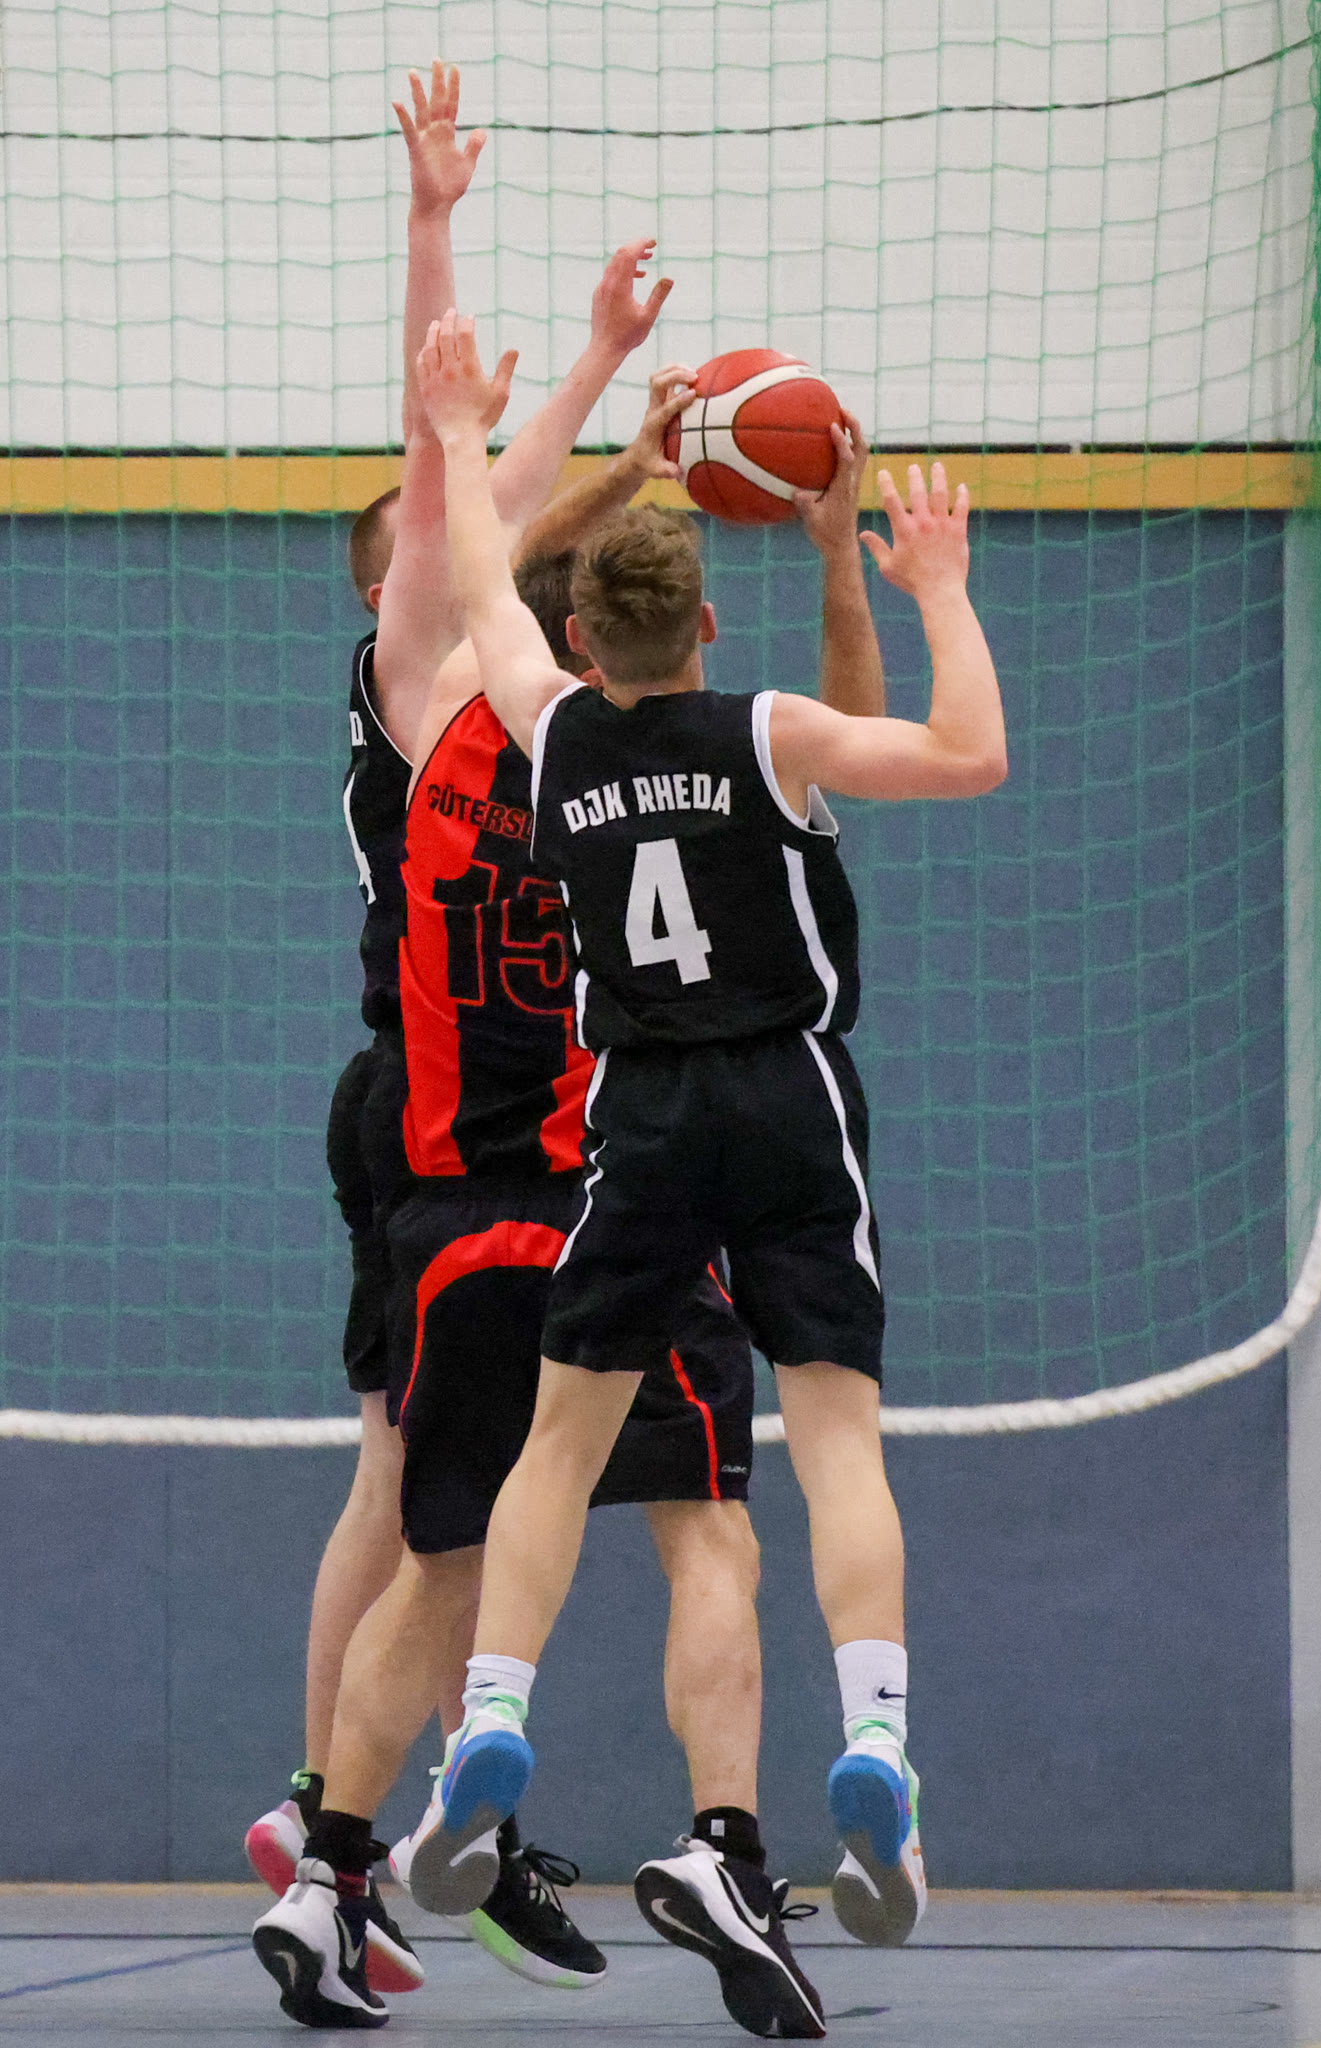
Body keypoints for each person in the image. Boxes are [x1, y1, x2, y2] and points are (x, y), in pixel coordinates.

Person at [251, 393, 890, 2043]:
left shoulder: (448, 749)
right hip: (607, 1187)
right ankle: (727, 1846)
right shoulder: (638, 767)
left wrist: (538, 443)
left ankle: (327, 1871)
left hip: (442, 1205)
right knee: (707, 1530)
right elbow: (863, 738)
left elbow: (473, 559)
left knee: (440, 1562)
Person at [405, 311, 1007, 1988]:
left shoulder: (553, 735)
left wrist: (454, 434)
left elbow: (477, 583)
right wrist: (929, 584)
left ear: (580, 636)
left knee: (555, 1443)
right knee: (833, 1439)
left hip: (641, 1111)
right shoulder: (771, 734)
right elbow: (965, 755)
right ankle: (875, 1740)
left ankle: (491, 1721)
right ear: (706, 626)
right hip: (791, 1098)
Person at [244, 60, 675, 1998]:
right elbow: (460, 516)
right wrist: (437, 249)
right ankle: (362, 1820)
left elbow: (501, 525)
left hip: (474, 1125)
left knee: (434, 1498)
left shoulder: (514, 692)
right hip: (442, 1126)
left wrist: (591, 377)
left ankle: (366, 1823)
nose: (483, 501)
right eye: (454, 494)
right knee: (436, 1509)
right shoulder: (416, 662)